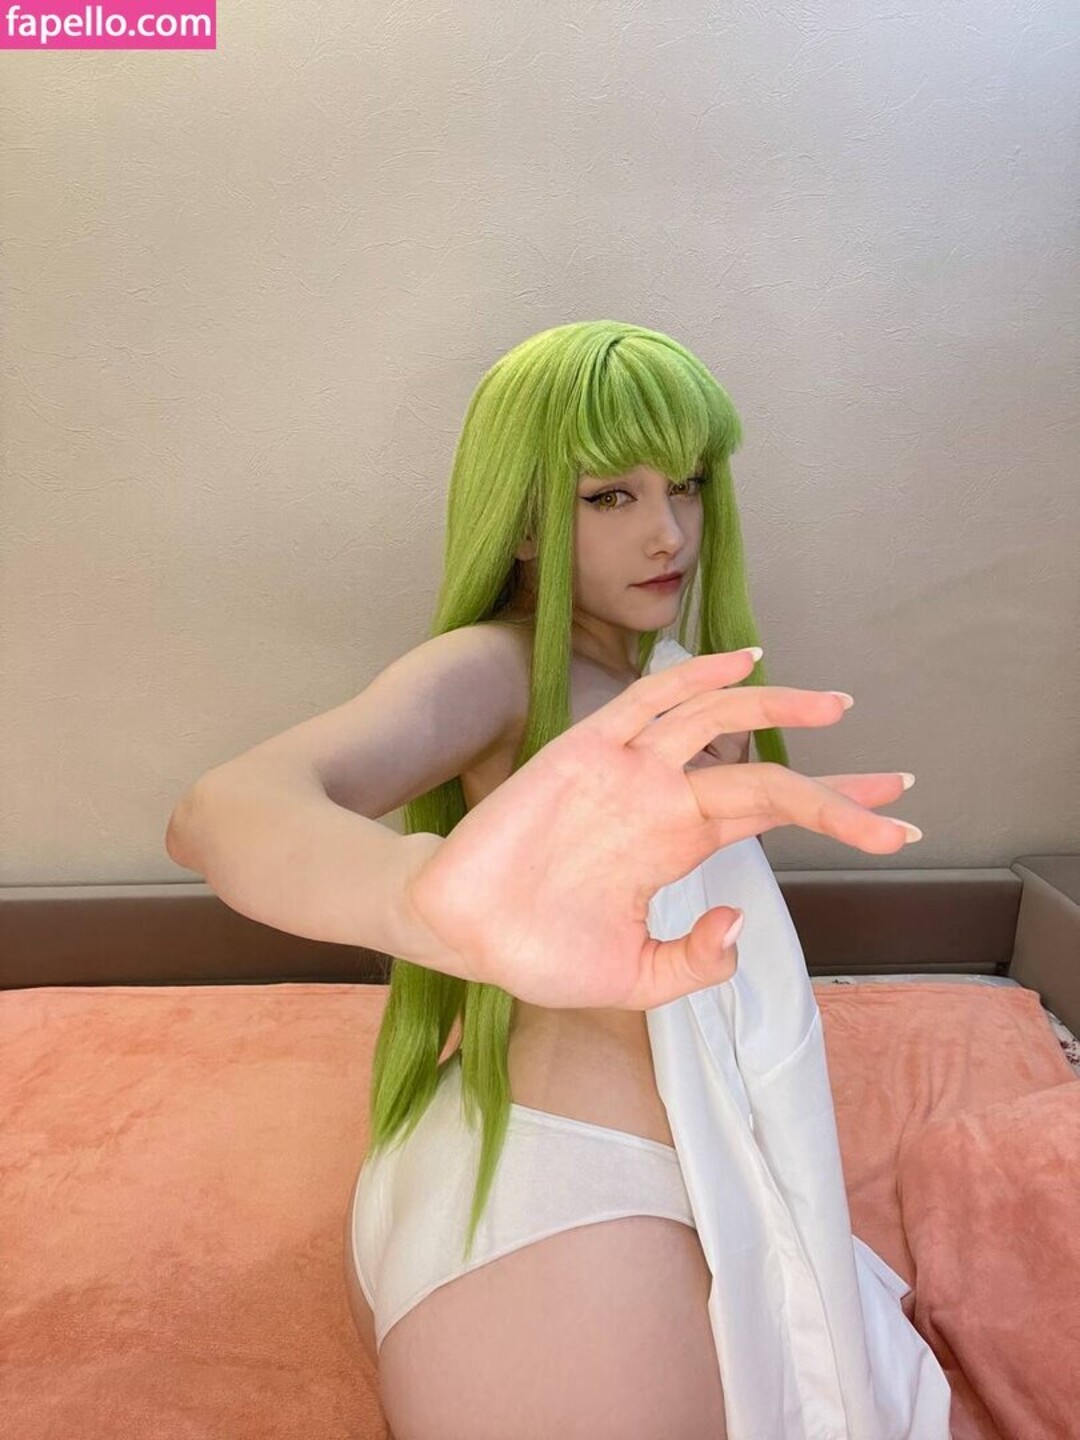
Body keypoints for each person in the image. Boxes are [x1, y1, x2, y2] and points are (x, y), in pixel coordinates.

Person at [166, 321, 944, 1439]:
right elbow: (223, 807)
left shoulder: (680, 686)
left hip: (693, 1162)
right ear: (527, 519)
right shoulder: (495, 668)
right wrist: (416, 897)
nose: (667, 531)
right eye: (609, 496)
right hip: (567, 1186)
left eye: (684, 484)